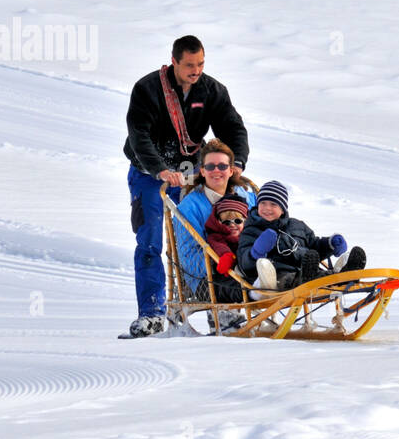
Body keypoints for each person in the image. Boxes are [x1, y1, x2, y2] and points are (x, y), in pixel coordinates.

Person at [122, 35, 249, 338]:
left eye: (201, 64)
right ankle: (151, 314)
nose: (196, 70)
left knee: (213, 235)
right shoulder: (148, 89)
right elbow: (139, 135)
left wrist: (238, 162)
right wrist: (160, 170)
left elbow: (232, 126)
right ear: (174, 62)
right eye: (190, 65)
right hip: (150, 172)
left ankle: (222, 308)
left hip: (193, 171)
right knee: (151, 241)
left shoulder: (211, 90)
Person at [237, 181, 367, 292]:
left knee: (319, 271)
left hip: (306, 267)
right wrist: (256, 252)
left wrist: (330, 244)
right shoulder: (251, 230)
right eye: (263, 203)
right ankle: (312, 278)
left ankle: (345, 276)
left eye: (273, 204)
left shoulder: (297, 225)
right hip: (277, 276)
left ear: (283, 209)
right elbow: (244, 263)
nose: (267, 208)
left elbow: (314, 246)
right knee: (291, 279)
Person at [172, 139, 257, 300]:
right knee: (247, 286)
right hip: (209, 278)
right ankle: (258, 289)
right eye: (210, 166)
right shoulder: (189, 207)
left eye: (222, 166)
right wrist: (224, 260)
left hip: (251, 265)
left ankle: (304, 278)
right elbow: (188, 257)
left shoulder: (246, 197)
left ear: (231, 170)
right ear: (202, 171)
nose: (216, 171)